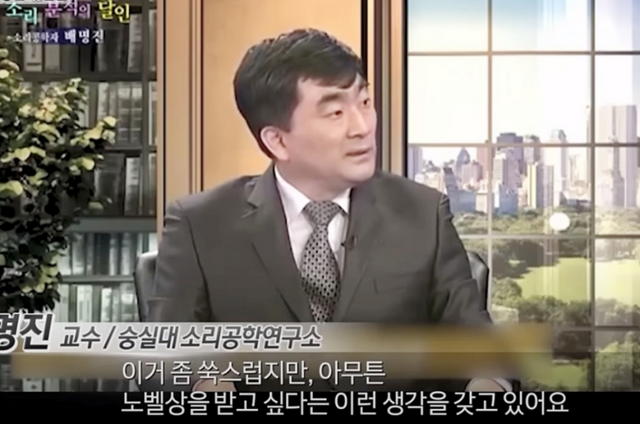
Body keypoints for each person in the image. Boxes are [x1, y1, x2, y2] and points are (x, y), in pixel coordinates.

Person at [149, 28, 510, 392]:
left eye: (364, 102)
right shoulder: (200, 226)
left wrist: (488, 384)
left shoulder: (423, 214)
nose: (363, 127)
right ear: (277, 140)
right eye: (336, 112)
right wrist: (203, 385)